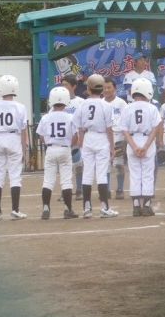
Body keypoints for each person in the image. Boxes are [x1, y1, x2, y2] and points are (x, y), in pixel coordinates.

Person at [73, 74, 119, 218]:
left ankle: (87, 208)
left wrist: (81, 142)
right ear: (102, 89)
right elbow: (109, 129)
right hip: (101, 138)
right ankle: (104, 207)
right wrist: (112, 147)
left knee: (87, 173)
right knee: (101, 174)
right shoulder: (106, 105)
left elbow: (79, 127)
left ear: (88, 88)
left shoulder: (82, 104)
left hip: (88, 138)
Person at [0, 75, 29, 220]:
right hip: (13, 138)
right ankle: (15, 210)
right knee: (15, 176)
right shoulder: (20, 107)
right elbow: (23, 130)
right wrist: (24, 149)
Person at [119, 78, 162, 217]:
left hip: (132, 140)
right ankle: (147, 206)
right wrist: (146, 146)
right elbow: (156, 129)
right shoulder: (152, 108)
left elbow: (124, 130)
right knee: (148, 175)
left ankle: (136, 206)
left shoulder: (127, 107)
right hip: (147, 140)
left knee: (135, 174)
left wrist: (134, 146)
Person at [36, 86, 78, 220]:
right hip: (65, 148)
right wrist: (70, 145)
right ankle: (68, 209)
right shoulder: (70, 117)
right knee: (66, 181)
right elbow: (76, 136)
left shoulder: (46, 117)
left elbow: (40, 136)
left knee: (48, 181)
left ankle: (46, 209)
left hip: (51, 148)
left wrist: (48, 143)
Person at [103, 77, 128, 200]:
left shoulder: (121, 103)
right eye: (104, 88)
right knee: (105, 164)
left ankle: (120, 189)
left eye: (109, 87)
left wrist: (125, 139)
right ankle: (106, 190)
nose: (106, 90)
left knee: (119, 164)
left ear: (115, 88)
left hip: (118, 135)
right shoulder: (100, 103)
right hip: (104, 136)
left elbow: (126, 121)